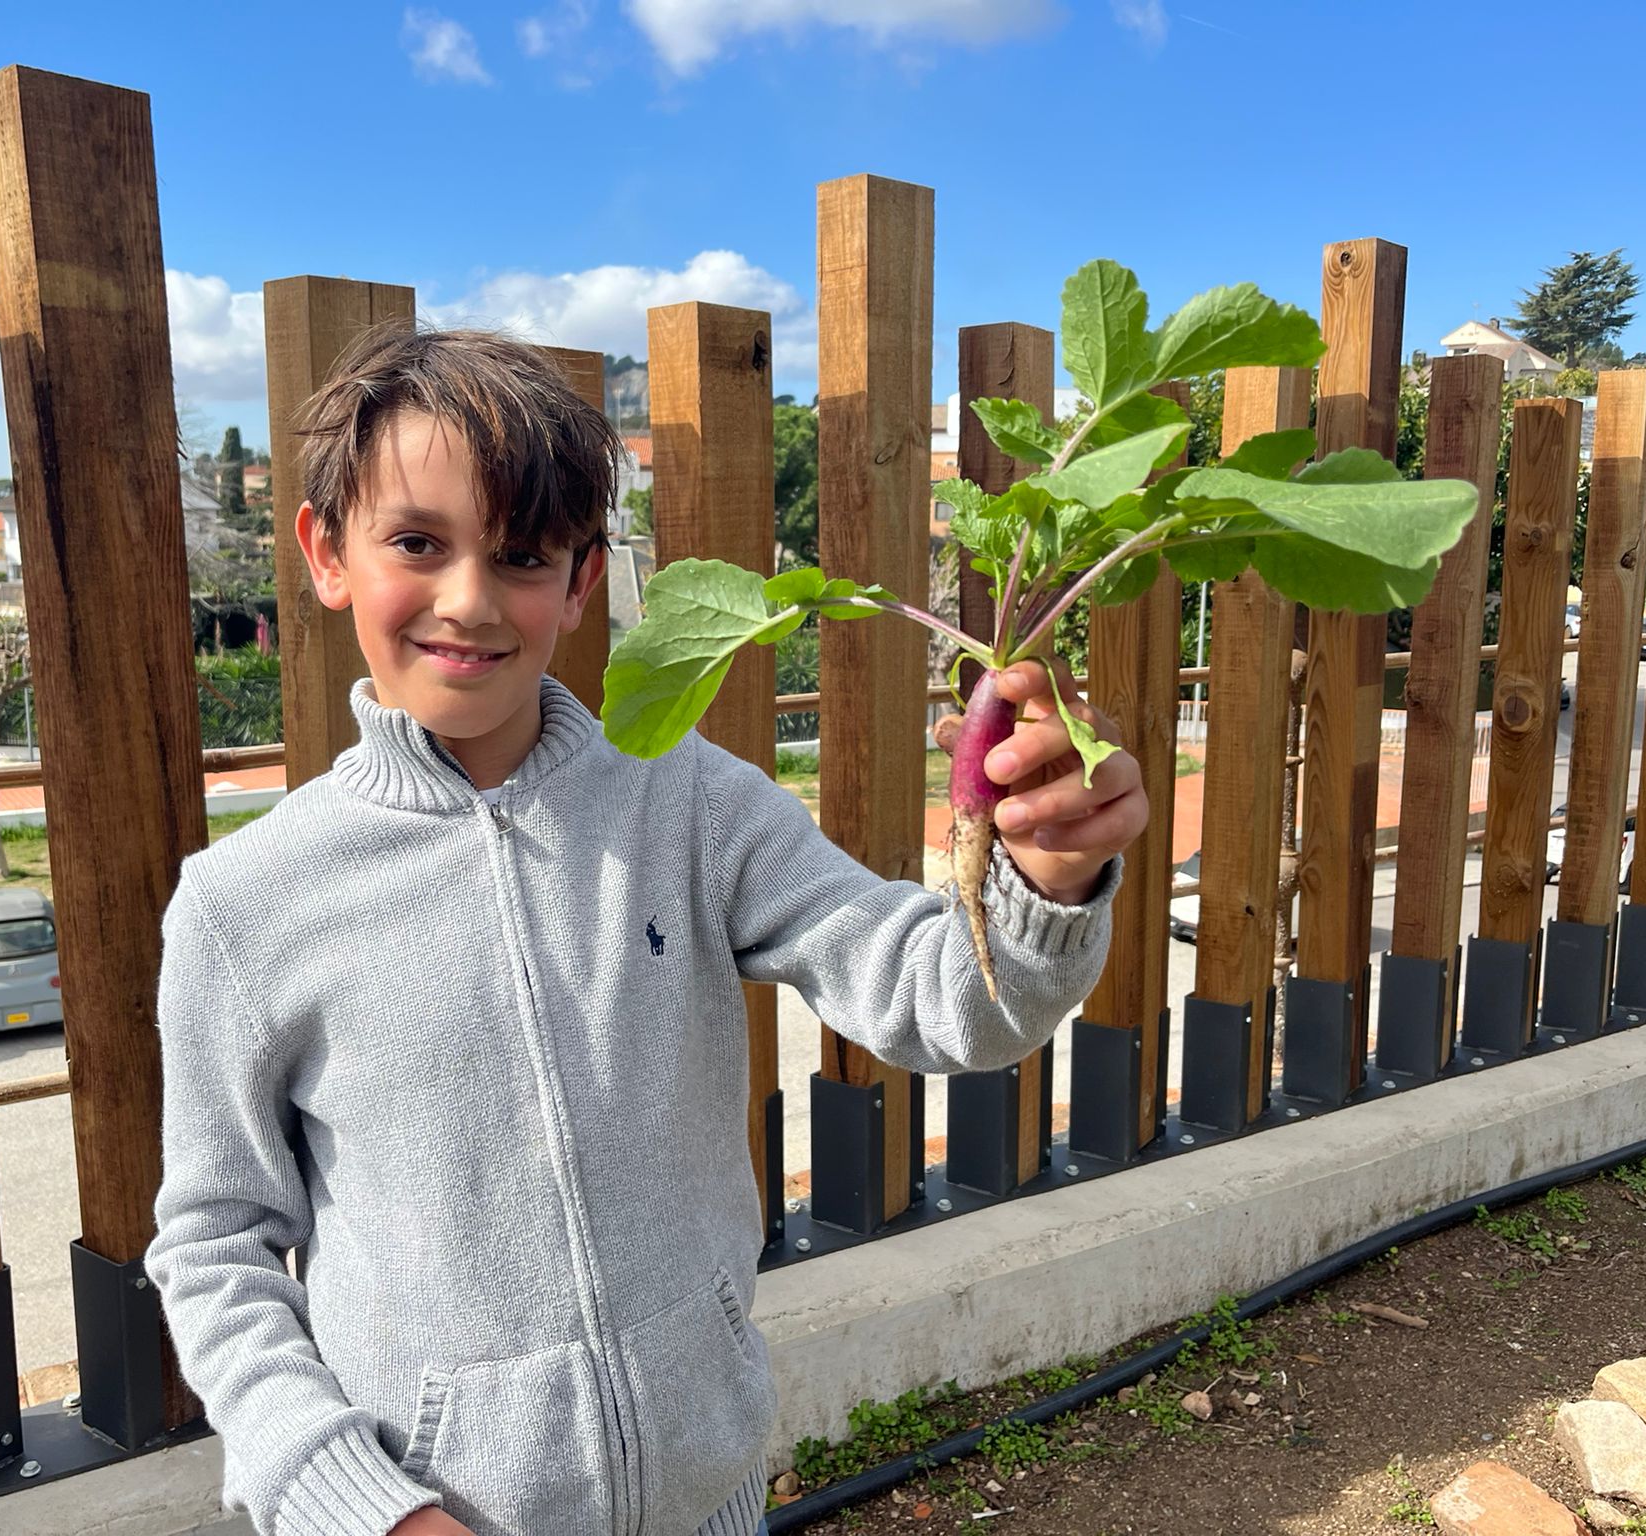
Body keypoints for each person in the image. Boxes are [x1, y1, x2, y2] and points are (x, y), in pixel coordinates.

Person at [142, 325, 1149, 1536]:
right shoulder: (246, 902)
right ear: (326, 553)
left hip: (700, 1495)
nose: (467, 599)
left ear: (579, 585)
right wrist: (356, 1505)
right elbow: (215, 1250)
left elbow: (949, 1003)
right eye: (417, 542)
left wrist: (1042, 876)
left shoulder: (690, 802)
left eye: (520, 556)